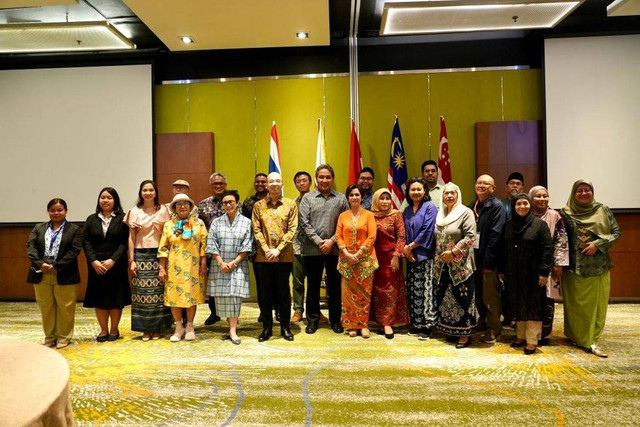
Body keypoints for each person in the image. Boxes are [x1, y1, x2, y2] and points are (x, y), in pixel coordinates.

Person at [560, 180, 621, 358]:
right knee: (574, 306)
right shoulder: (565, 213)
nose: (584, 193)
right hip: (573, 267)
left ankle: (590, 340)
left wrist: (597, 243)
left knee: (596, 306)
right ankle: (575, 336)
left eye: (587, 190)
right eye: (579, 190)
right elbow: (560, 239)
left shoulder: (603, 210)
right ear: (574, 193)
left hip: (598, 266)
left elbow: (616, 233)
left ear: (593, 192)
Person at [499, 193, 553, 355]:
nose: (522, 207)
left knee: (533, 307)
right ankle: (520, 336)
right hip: (513, 274)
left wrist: (544, 273)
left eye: (525, 204)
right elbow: (502, 249)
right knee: (517, 305)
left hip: (533, 275)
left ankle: (531, 341)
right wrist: (502, 270)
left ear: (530, 206)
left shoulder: (539, 225)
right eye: (518, 204)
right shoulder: (508, 225)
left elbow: (547, 250)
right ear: (513, 207)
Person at [299, 164, 349, 334]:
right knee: (312, 286)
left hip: (335, 250)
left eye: (328, 177)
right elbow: (304, 223)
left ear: (332, 179)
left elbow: (346, 224)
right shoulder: (308, 198)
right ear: (316, 179)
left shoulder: (341, 199)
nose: (325, 180)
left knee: (335, 287)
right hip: (312, 250)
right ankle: (312, 320)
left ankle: (335, 320)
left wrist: (332, 241)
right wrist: (320, 242)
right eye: (321, 177)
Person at [27, 198, 82, 349]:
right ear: (48, 212)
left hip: (64, 273)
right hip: (41, 273)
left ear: (66, 211)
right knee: (46, 307)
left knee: (66, 307)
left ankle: (64, 337)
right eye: (53, 210)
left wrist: (57, 266)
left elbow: (75, 250)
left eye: (59, 210)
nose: (56, 213)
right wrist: (41, 264)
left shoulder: (74, 229)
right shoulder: (39, 228)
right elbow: (30, 247)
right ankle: (50, 337)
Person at [124, 180, 173, 341]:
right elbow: (131, 237)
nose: (148, 193)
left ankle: (157, 328)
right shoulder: (134, 211)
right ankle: (145, 329)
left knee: (159, 293)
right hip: (140, 253)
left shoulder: (164, 210)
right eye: (145, 190)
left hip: (160, 254)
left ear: (156, 192)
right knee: (142, 294)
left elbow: (169, 235)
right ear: (141, 192)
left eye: (151, 190)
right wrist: (131, 260)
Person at [252, 172, 298, 342]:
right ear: (267, 185)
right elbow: (256, 230)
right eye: (271, 181)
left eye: (278, 181)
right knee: (265, 294)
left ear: (283, 183)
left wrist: (277, 250)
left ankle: (285, 328)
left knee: (283, 293)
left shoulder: (290, 205)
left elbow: (292, 229)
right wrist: (266, 249)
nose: (275, 184)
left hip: (283, 256)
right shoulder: (258, 206)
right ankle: (267, 328)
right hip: (263, 258)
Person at [158, 194, 208, 342]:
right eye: (178, 204)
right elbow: (163, 247)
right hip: (174, 267)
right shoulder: (169, 225)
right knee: (175, 298)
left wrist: (204, 264)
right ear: (174, 208)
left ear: (191, 207)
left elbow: (204, 245)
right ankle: (179, 327)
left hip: (194, 266)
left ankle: (190, 327)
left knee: (191, 297)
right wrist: (162, 267)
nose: (182, 206)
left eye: (185, 204)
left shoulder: (199, 224)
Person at [82, 188, 130, 342]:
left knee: (116, 299)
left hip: (116, 265)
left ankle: (114, 330)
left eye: (109, 197)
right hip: (96, 266)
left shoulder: (123, 218)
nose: (105, 200)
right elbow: (86, 242)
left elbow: (124, 242)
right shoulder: (91, 219)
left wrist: (113, 260)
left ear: (115, 200)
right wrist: (93, 261)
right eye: (102, 197)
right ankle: (103, 330)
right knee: (100, 299)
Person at [433, 183, 478, 348]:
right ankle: (452, 331)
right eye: (446, 193)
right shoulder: (441, 214)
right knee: (446, 299)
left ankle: (465, 335)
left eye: (452, 193)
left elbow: (470, 237)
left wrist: (453, 252)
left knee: (463, 299)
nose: (449, 196)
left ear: (458, 195)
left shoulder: (465, 213)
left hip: (460, 266)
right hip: (443, 265)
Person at [206, 190, 253, 345]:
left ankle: (233, 330)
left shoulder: (246, 222)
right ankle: (230, 327)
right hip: (219, 265)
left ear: (237, 203)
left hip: (238, 264)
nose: (228, 205)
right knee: (223, 297)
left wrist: (234, 262)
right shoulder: (216, 222)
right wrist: (221, 262)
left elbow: (248, 244)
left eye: (231, 202)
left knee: (234, 297)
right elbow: (211, 244)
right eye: (225, 202)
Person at [528, 185, 569, 345]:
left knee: (547, 301)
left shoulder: (554, 216)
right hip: (529, 265)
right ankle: (530, 335)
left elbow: (561, 241)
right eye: (538, 196)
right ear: (531, 198)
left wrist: (558, 263)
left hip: (550, 266)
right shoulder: (526, 213)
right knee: (531, 299)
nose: (542, 199)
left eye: (545, 196)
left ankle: (544, 335)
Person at [336, 184, 378, 338]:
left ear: (362, 197)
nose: (354, 197)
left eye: (357, 195)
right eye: (351, 195)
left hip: (365, 260)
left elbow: (372, 236)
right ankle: (351, 325)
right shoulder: (343, 216)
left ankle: (364, 325)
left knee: (364, 294)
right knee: (347, 295)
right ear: (348, 197)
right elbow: (339, 236)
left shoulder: (369, 215)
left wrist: (359, 253)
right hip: (346, 260)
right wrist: (346, 253)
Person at [469, 174, 506, 345]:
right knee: (478, 294)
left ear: (493, 188)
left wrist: (489, 262)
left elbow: (495, 235)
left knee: (490, 295)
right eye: (479, 182)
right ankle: (482, 322)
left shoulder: (496, 206)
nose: (482, 185)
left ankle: (494, 328)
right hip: (473, 258)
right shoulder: (473, 205)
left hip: (488, 260)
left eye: (486, 183)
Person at [402, 177, 438, 339]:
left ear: (425, 191)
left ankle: (428, 326)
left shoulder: (430, 207)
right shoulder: (407, 210)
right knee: (414, 290)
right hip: (411, 257)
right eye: (413, 190)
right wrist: (407, 251)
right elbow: (404, 233)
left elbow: (427, 231)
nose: (416, 192)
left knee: (427, 291)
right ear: (408, 192)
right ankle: (416, 324)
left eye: (419, 189)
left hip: (426, 255)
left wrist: (410, 247)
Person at [370, 188, 408, 339]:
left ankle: (388, 323)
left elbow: (401, 237)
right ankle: (378, 321)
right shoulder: (370, 215)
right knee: (376, 289)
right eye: (382, 198)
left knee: (390, 290)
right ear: (376, 200)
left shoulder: (396, 214)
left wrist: (396, 255)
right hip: (374, 256)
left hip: (391, 258)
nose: (385, 202)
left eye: (387, 198)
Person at [241, 172, 273, 322]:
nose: (260, 184)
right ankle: (264, 311)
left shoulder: (274, 199)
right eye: (258, 182)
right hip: (257, 249)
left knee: (278, 282)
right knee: (262, 283)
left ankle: (278, 310)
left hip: (276, 248)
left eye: (263, 181)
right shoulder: (248, 202)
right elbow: (246, 227)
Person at [198, 172, 228, 326]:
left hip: (229, 249)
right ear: (211, 186)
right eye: (215, 184)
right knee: (213, 282)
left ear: (225, 185)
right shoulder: (203, 204)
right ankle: (214, 312)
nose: (218, 186)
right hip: (210, 250)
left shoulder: (232, 202)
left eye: (221, 183)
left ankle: (230, 313)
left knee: (228, 282)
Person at [291, 171, 312, 323]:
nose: (302, 183)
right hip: (297, 247)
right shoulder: (292, 204)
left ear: (310, 183)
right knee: (297, 281)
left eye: (305, 180)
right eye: (299, 181)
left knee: (313, 281)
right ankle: (298, 310)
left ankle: (313, 310)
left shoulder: (316, 201)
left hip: (314, 248)